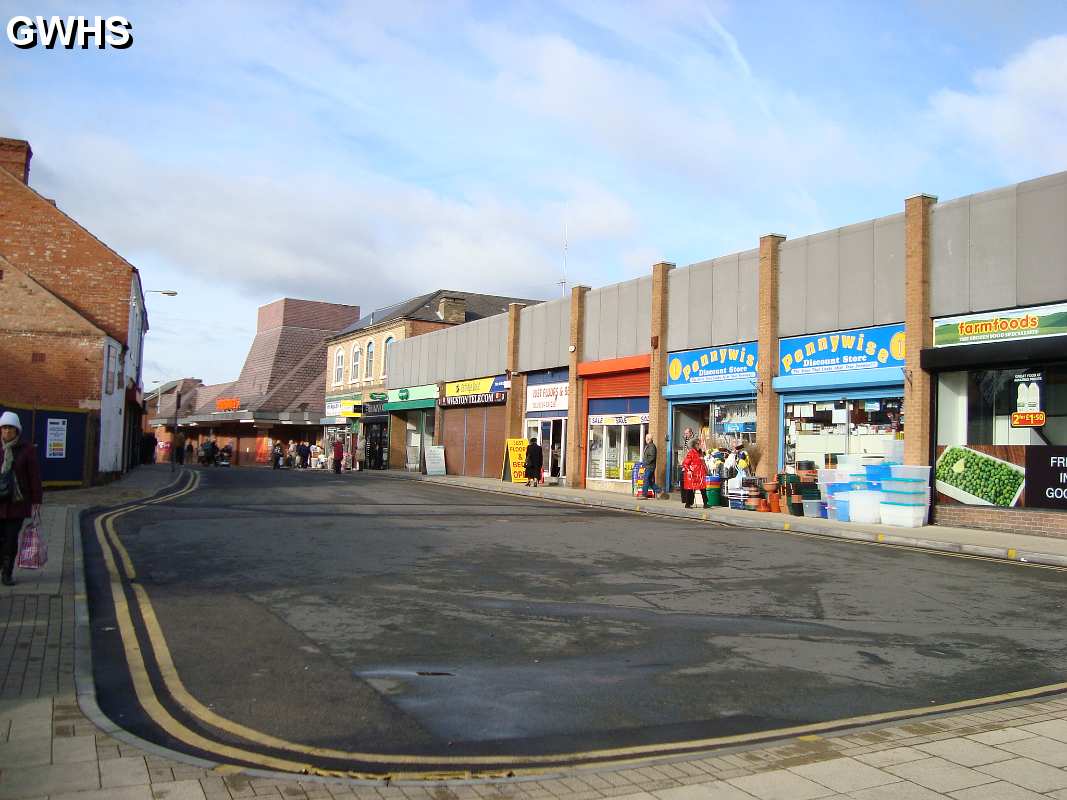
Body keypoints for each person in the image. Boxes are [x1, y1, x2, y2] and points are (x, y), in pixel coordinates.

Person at [0, 411, 43, 587]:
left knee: (10, 540)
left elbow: (34, 476)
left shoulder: (27, 450)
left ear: (17, 430)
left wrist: (37, 501)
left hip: (16, 504)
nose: (7, 431)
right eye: (4, 428)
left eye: (10, 428)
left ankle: (7, 573)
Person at [681, 441, 709, 509]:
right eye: (699, 444)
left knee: (703, 489)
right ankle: (688, 504)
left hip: (700, 474)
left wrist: (706, 471)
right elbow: (685, 463)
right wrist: (689, 470)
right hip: (693, 474)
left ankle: (705, 503)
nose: (701, 445)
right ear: (696, 445)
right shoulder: (691, 453)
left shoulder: (700, 453)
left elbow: (703, 463)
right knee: (690, 489)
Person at [642, 433, 665, 499]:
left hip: (650, 467)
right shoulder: (648, 446)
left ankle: (644, 495)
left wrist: (645, 463)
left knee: (646, 479)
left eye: (646, 438)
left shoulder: (652, 446)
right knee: (649, 480)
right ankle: (659, 491)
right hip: (648, 466)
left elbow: (652, 457)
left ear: (649, 439)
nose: (645, 439)